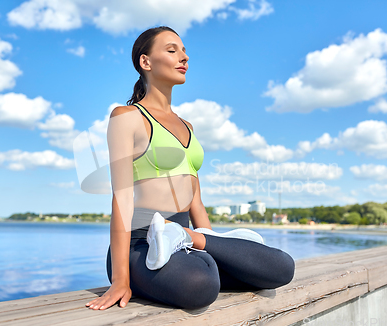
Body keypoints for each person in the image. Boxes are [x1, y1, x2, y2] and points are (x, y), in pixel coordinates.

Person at [85, 26, 295, 311]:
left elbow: (195, 197)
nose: (184, 57)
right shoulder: (127, 117)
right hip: (141, 242)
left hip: (185, 238)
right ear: (145, 62)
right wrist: (121, 278)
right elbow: (121, 199)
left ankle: (190, 238)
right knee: (201, 284)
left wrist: (205, 237)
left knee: (281, 267)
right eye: (172, 50)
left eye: (184, 51)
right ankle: (194, 248)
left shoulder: (188, 127)